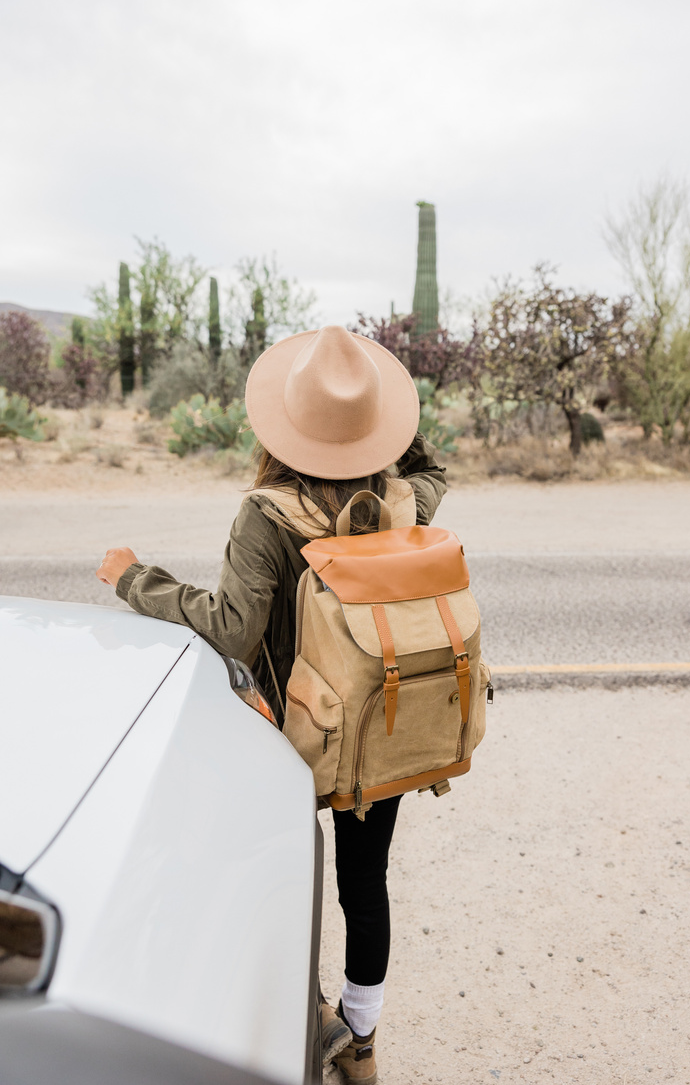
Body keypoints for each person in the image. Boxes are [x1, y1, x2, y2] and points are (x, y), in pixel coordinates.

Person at [97, 325, 447, 1085]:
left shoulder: (268, 513)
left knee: (285, 877)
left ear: (286, 423)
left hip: (291, 730)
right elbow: (434, 466)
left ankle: (304, 1017)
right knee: (365, 882)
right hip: (380, 727)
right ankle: (361, 1046)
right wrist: (387, 431)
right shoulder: (402, 496)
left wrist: (134, 577)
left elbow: (231, 625)